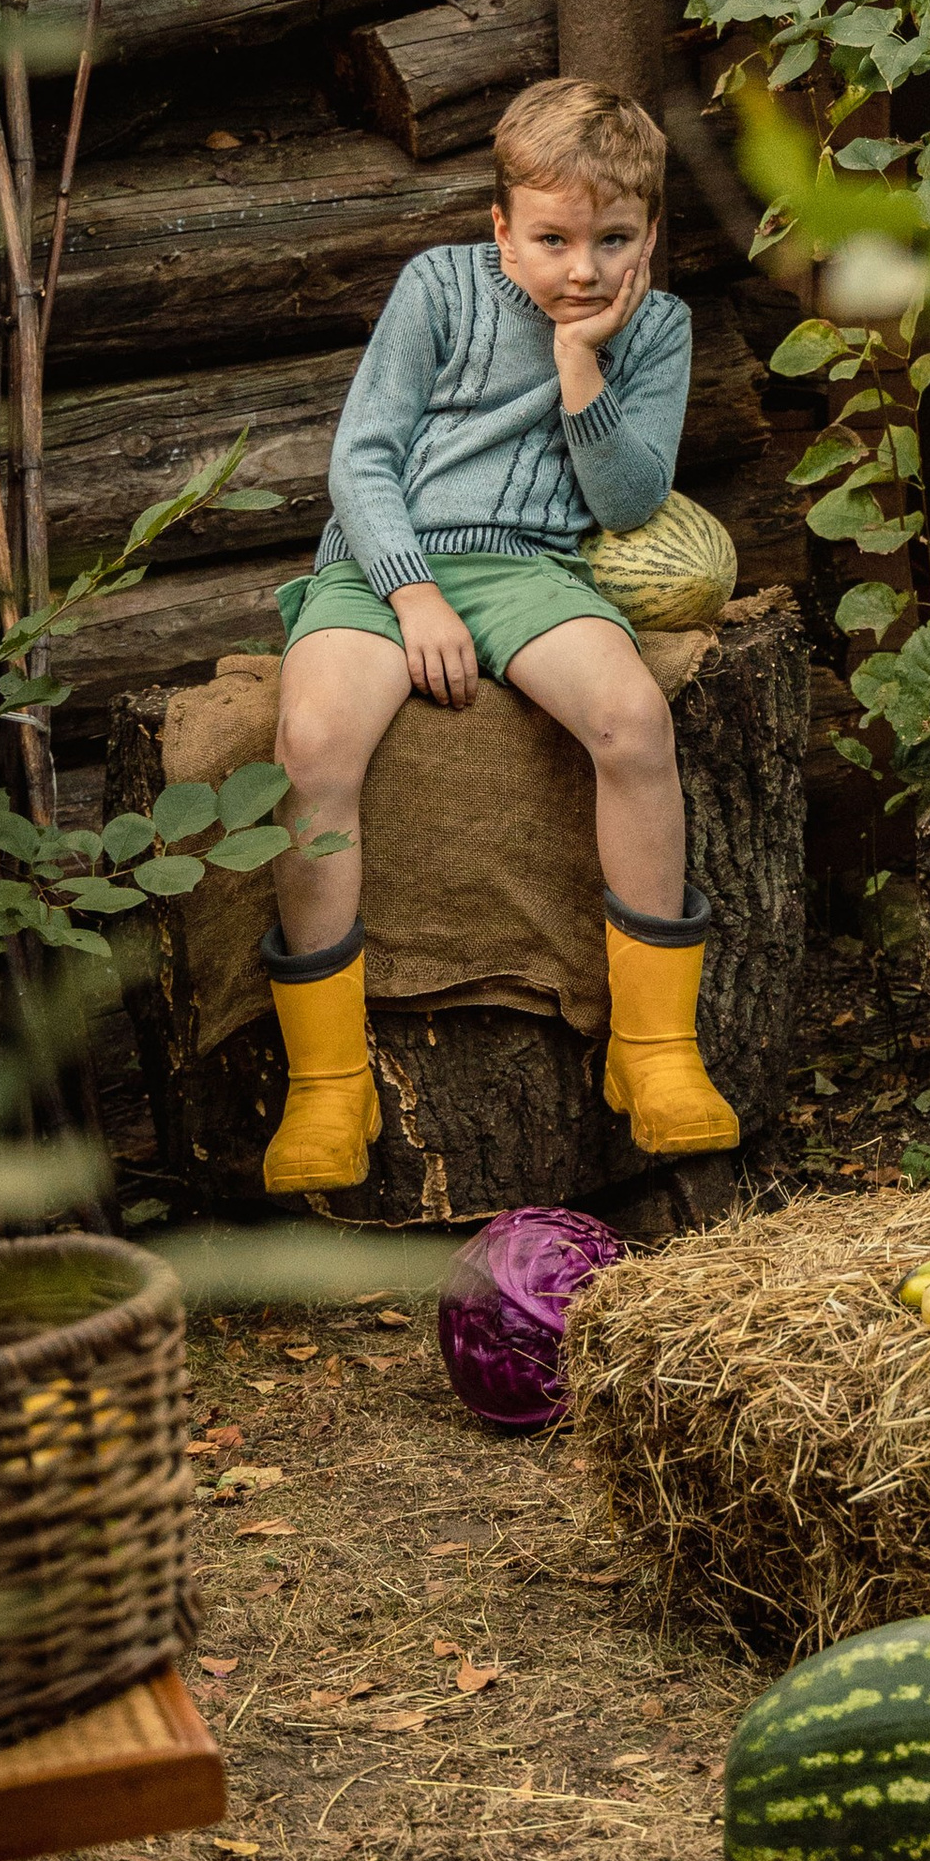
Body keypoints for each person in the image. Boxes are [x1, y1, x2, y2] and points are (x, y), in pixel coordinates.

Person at [257, 73, 737, 1193]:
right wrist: (410, 590)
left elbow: (625, 502)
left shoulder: (655, 329)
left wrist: (583, 368)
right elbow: (362, 457)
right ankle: (326, 1083)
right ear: (501, 227)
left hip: (529, 569)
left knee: (629, 721)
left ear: (650, 235)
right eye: (553, 238)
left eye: (613, 238)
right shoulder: (439, 288)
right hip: (387, 562)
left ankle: (654, 1051)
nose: (584, 268)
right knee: (314, 747)